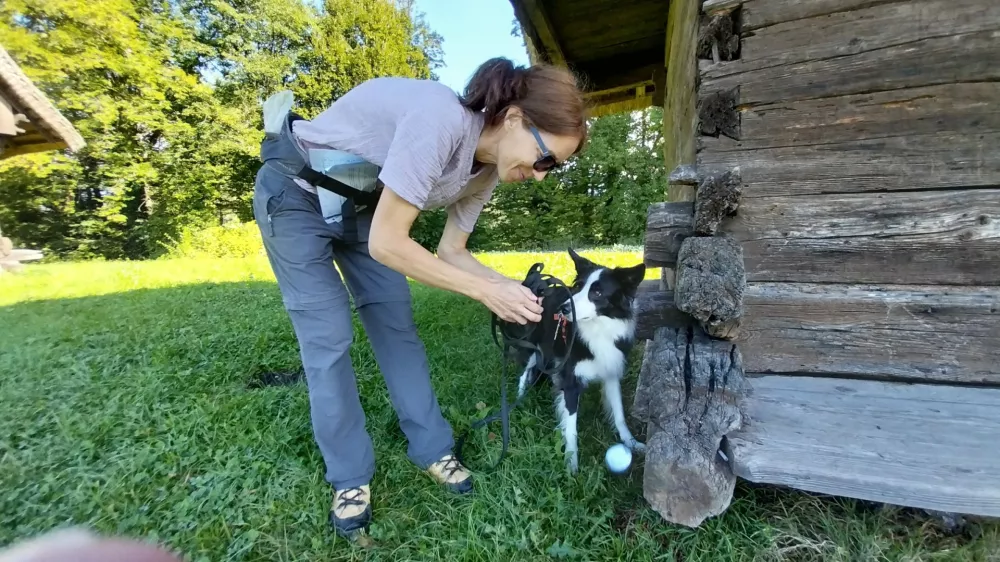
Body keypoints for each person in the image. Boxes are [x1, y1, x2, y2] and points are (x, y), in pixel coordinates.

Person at [252, 56, 588, 537]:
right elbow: (389, 243)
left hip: (363, 206)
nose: (541, 175)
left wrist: (506, 288)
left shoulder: (486, 172)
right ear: (515, 118)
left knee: (397, 327)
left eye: (552, 168)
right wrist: (483, 292)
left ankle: (432, 448)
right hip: (295, 192)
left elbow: (452, 252)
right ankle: (349, 476)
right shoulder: (441, 119)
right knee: (328, 338)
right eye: (545, 159)